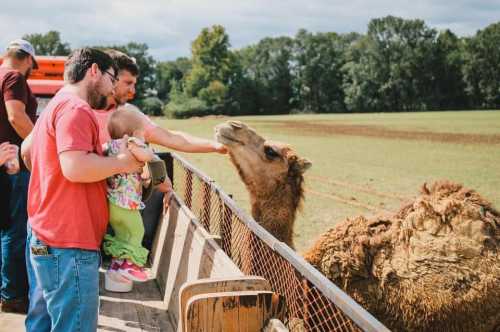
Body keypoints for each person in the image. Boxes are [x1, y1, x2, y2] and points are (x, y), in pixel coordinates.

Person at [21, 48, 143, 332]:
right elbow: (74, 168)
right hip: (69, 242)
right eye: (112, 78)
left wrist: (98, 155)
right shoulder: (77, 108)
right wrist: (122, 163)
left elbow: (28, 152)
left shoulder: (55, 104)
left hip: (45, 234)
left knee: (43, 322)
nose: (113, 88)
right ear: (94, 71)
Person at [94, 50, 226, 250]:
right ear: (110, 77)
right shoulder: (83, 111)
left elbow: (172, 138)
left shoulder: (129, 116)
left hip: (121, 205)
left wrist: (214, 146)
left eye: (134, 84)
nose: (133, 91)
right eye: (128, 83)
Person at [102, 107, 170, 288]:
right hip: (127, 203)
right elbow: (148, 159)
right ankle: (129, 265)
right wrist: (151, 156)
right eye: (143, 131)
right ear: (135, 132)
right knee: (137, 232)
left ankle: (117, 264)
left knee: (122, 234)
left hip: (113, 204)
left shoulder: (110, 146)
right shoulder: (133, 143)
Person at [0, 39, 38, 313]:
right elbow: (16, 116)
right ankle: (13, 295)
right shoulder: (13, 77)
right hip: (14, 166)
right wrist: (43, 146)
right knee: (16, 230)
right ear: (27, 60)